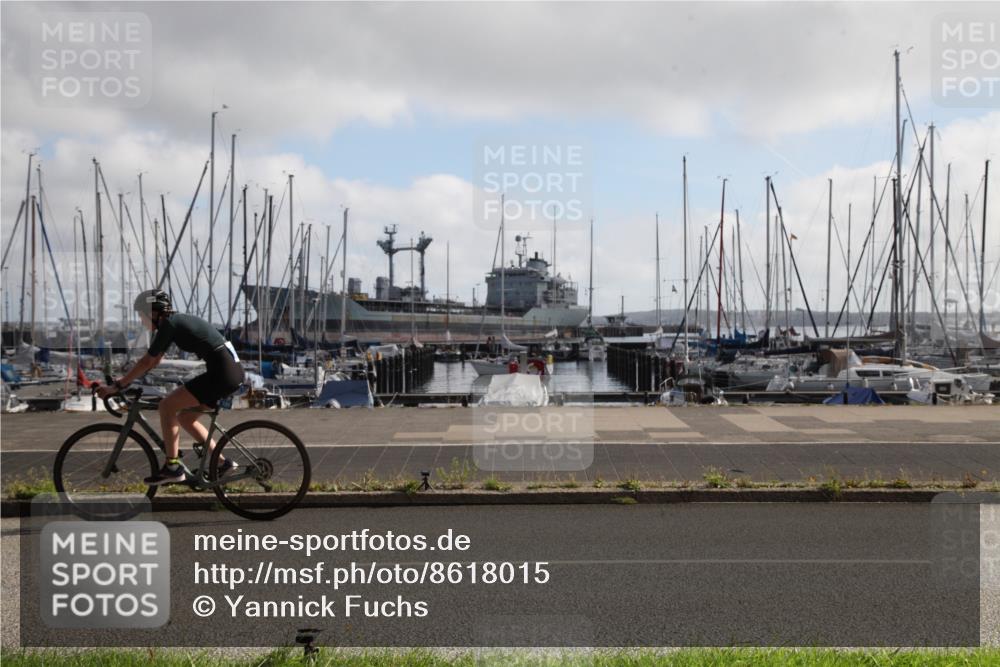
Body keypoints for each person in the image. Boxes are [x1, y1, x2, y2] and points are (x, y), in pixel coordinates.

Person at [96, 289, 245, 485]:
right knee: (185, 417)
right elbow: (155, 360)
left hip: (222, 373)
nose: (141, 320)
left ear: (154, 312)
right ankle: (223, 463)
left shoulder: (170, 324)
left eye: (141, 315)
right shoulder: (174, 323)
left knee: (166, 406)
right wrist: (131, 380)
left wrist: (118, 385)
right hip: (230, 372)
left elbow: (148, 361)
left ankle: (173, 467)